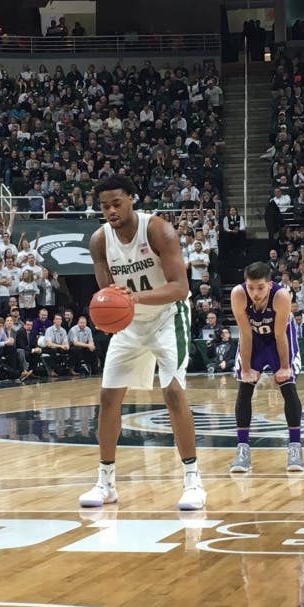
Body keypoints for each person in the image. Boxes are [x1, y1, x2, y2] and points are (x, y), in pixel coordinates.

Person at [79, 175, 205, 510]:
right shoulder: (99, 241)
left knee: (173, 392)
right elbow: (109, 295)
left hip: (168, 316)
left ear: (132, 199)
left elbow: (180, 287)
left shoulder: (158, 231)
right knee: (108, 398)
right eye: (104, 206)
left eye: (116, 203)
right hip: (132, 322)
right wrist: (108, 312)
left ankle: (193, 482)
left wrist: (135, 298)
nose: (110, 210)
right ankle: (105, 483)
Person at [228, 262, 304, 474]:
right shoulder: (238, 294)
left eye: (260, 287)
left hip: (278, 339)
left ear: (270, 285)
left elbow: (280, 335)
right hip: (253, 340)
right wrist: (245, 370)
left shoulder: (281, 296)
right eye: (251, 287)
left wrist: (285, 367)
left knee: (288, 386)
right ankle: (242, 450)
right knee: (244, 387)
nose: (255, 293)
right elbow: (245, 334)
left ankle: (295, 448)